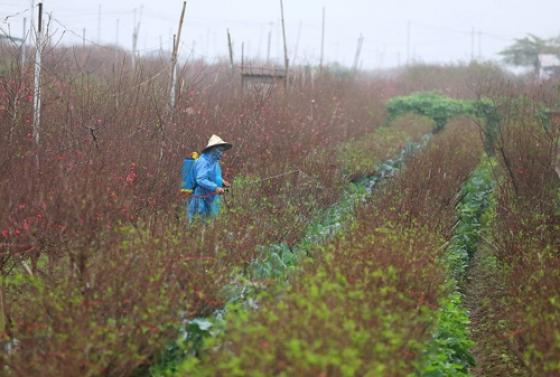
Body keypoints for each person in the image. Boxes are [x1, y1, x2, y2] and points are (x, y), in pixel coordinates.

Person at [187, 135, 232, 222]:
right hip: (199, 198)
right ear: (213, 149)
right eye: (220, 150)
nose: (222, 153)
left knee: (210, 224)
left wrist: (222, 182)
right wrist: (215, 188)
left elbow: (213, 176)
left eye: (222, 150)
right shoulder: (203, 161)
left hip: (209, 198)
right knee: (199, 224)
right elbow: (200, 179)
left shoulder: (214, 162)